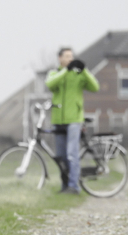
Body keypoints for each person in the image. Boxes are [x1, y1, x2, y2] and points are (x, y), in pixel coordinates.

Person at [45, 47, 99, 194]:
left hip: (75, 119)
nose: (70, 59)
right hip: (58, 119)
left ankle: (74, 186)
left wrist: (84, 70)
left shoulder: (79, 75)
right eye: (67, 56)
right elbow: (50, 84)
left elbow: (95, 87)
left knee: (71, 153)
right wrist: (66, 70)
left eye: (72, 56)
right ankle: (65, 186)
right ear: (60, 58)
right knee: (61, 156)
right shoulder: (55, 73)